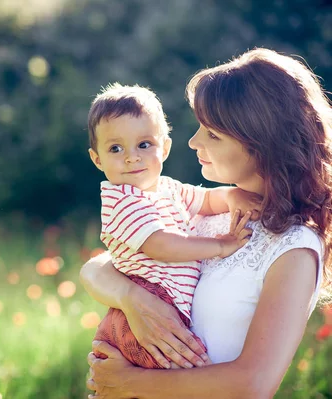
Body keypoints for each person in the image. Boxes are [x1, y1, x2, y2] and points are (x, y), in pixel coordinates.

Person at [81, 47, 332, 399]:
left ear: (264, 145)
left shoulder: (295, 249)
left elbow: (253, 384)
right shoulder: (209, 215)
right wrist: (133, 298)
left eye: (212, 135)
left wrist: (128, 383)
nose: (193, 141)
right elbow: (99, 266)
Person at [86, 83, 259, 368]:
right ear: (97, 159)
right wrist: (219, 245)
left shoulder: (167, 189)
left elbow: (205, 200)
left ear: (164, 148)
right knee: (161, 376)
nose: (132, 156)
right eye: (116, 148)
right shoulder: (121, 200)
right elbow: (161, 245)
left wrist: (233, 195)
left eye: (144, 144)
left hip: (163, 307)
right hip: (145, 306)